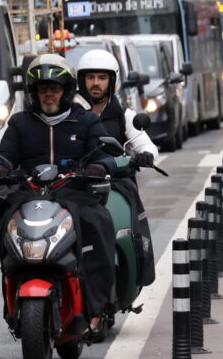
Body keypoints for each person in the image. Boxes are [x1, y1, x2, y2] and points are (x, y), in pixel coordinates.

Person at [0, 54, 117, 327]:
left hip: (74, 194)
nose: (49, 94)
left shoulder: (86, 121)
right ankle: (11, 298)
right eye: (42, 89)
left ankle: (97, 304)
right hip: (29, 194)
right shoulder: (20, 123)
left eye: (54, 88)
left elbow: (105, 154)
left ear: (67, 91)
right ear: (34, 93)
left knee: (99, 223)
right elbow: (5, 154)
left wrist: (98, 167)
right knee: (1, 219)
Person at [77, 49, 158, 286]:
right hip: (77, 183)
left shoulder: (125, 115)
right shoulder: (71, 114)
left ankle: (132, 271)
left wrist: (144, 156)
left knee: (126, 230)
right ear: (82, 81)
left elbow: (149, 146)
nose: (95, 83)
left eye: (102, 78)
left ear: (112, 81)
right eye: (90, 77)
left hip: (114, 185)